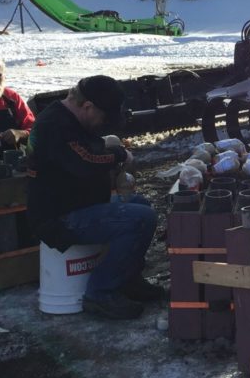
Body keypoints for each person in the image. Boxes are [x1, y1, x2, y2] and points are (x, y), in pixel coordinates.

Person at [26, 75, 162, 320]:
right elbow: (84, 161)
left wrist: (110, 150)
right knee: (140, 218)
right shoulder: (56, 125)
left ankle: (127, 279)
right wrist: (118, 155)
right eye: (103, 117)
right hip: (59, 217)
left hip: (79, 206)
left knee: (140, 205)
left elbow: (91, 150)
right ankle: (101, 292)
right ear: (87, 106)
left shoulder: (71, 121)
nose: (104, 124)